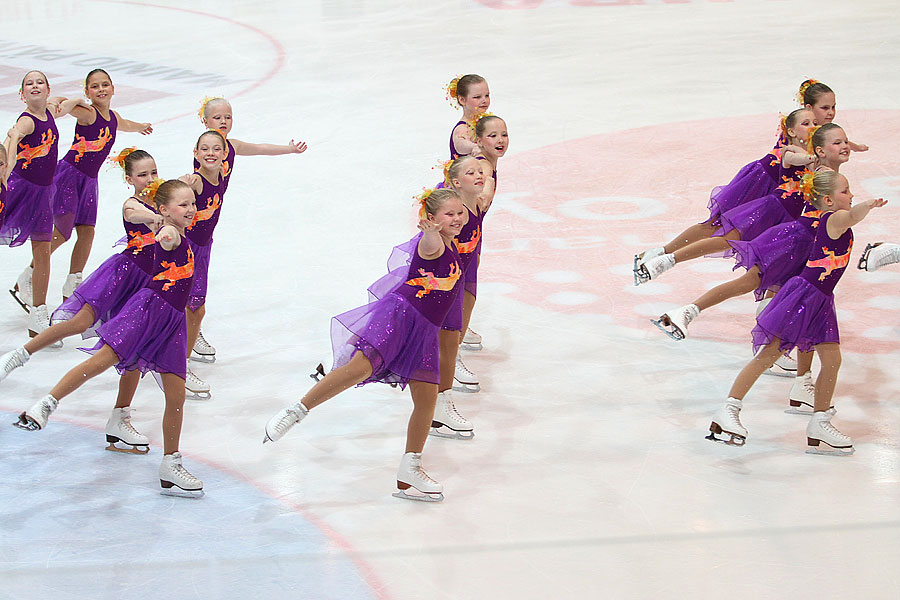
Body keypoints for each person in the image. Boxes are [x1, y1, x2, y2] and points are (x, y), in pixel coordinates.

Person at [263, 188, 467, 502]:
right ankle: (296, 410)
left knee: (427, 400)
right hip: (400, 318)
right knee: (358, 369)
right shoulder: (434, 245)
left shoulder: (452, 245)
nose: (456, 219)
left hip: (424, 331)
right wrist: (430, 234)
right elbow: (429, 246)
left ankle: (409, 468)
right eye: (448, 214)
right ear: (432, 219)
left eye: (459, 213)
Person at [14, 179, 204, 496]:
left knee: (176, 396)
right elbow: (157, 231)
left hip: (171, 323)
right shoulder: (169, 234)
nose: (190, 209)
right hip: (147, 312)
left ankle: (170, 465)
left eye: (191, 204)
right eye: (183, 205)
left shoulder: (181, 232)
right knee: (102, 361)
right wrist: (163, 229)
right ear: (164, 210)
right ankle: (47, 403)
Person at [707, 171, 886, 454]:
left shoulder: (833, 218)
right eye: (845, 191)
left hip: (822, 299)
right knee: (769, 354)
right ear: (827, 200)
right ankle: (728, 410)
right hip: (804, 296)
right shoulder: (833, 219)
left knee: (832, 360)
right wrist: (868, 205)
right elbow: (851, 217)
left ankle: (820, 421)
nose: (850, 195)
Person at [0, 149, 162, 398]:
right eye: (142, 175)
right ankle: (19, 354)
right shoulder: (134, 204)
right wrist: (156, 217)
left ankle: (123, 411)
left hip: (148, 284)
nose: (149, 179)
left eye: (153, 172)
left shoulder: (163, 200)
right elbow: (134, 214)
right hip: (123, 276)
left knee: (133, 343)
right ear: (129, 180)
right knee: (79, 323)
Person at [1, 70, 89, 337]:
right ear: (22, 94)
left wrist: (78, 101)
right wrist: (6, 165)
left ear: (48, 90)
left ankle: (38, 313)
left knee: (42, 252)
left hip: (43, 193)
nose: (35, 86)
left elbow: (63, 103)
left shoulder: (50, 110)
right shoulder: (26, 121)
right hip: (19, 189)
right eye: (29, 83)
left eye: (40, 82)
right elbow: (13, 137)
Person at [446, 74, 490, 159]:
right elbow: (460, 144)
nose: (484, 100)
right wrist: (473, 147)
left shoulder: (484, 122)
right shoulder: (462, 128)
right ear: (462, 100)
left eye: (487, 95)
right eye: (477, 97)